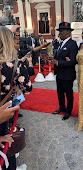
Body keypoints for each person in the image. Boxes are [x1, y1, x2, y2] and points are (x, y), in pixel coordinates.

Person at [0, 26, 32, 170]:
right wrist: (14, 102)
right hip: (6, 116)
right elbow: (28, 89)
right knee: (7, 148)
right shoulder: (16, 65)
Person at [49, 22, 78, 120]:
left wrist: (57, 62)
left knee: (68, 93)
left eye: (61, 31)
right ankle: (62, 107)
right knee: (60, 92)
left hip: (68, 75)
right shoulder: (60, 43)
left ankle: (68, 110)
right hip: (59, 74)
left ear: (67, 32)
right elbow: (59, 57)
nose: (59, 34)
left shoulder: (72, 44)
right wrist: (52, 59)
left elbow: (73, 62)